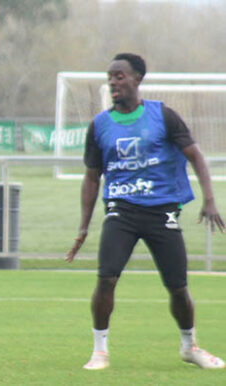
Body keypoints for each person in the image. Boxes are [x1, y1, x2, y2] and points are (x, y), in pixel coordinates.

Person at [66, 53, 225, 370]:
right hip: (121, 210)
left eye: (120, 76)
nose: (113, 81)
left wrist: (209, 200)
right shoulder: (99, 126)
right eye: (110, 76)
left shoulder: (163, 116)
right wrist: (83, 228)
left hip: (161, 211)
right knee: (106, 278)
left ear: (137, 79)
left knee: (178, 287)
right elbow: (91, 177)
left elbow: (196, 156)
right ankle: (100, 351)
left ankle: (189, 346)